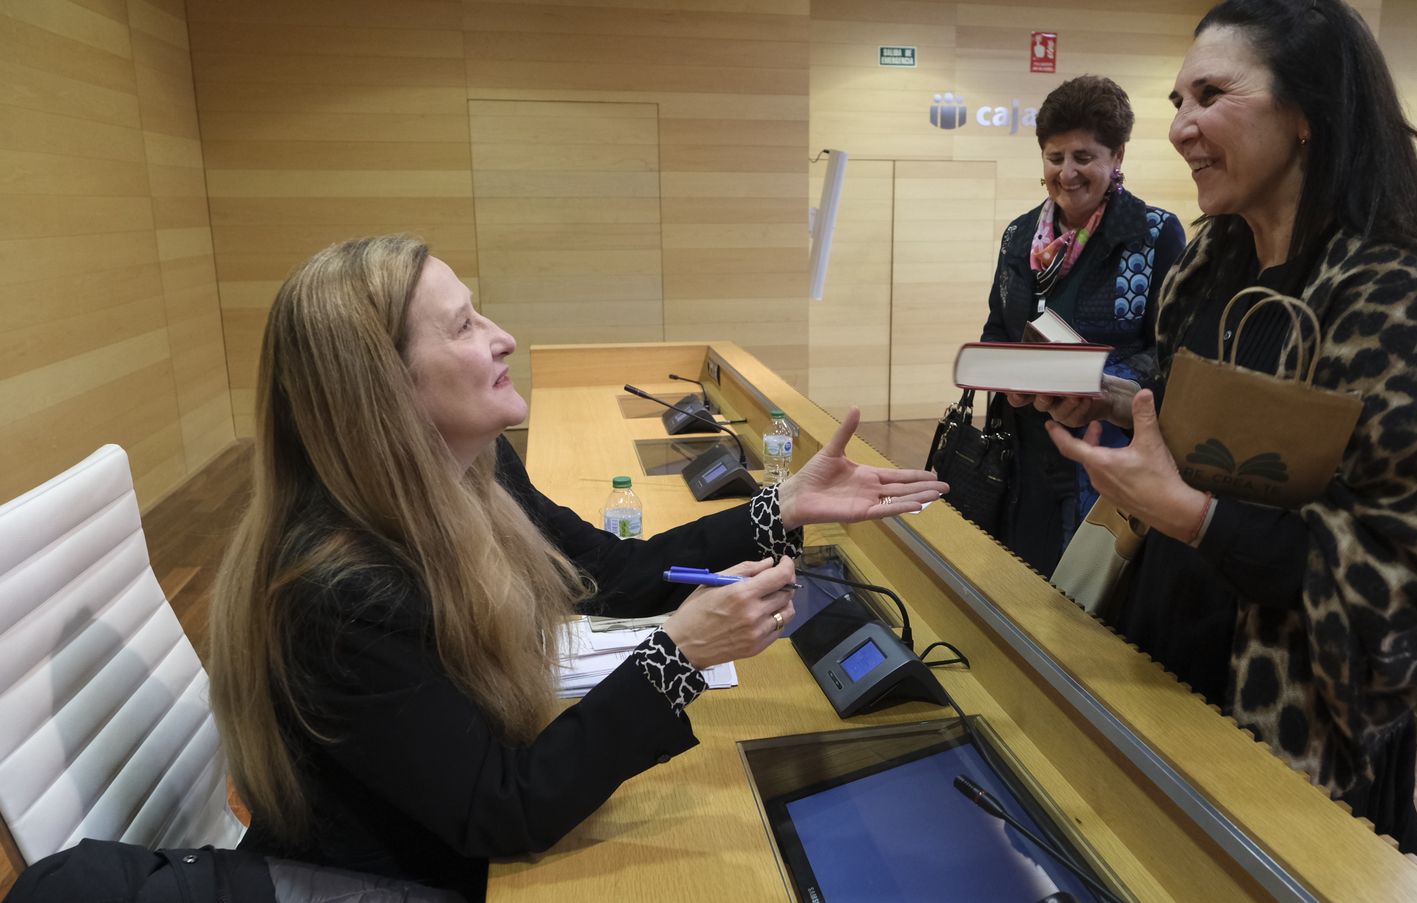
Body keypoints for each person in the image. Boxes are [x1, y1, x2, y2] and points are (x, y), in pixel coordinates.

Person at [207, 235, 948, 900]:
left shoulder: (476, 473)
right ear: (381, 387)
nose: (505, 338)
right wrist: (678, 656)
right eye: (464, 326)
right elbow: (502, 810)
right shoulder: (337, 594)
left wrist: (780, 507)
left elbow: (605, 571)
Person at [1020, 0, 1417, 858]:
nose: (1182, 130)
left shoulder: (1391, 288)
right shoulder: (1211, 262)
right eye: (1177, 103)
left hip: (1285, 713)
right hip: (1163, 644)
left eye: (1211, 96)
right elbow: (1206, 424)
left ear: (1306, 114)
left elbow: (1409, 570)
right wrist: (1116, 403)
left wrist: (1189, 513)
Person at [980, 75, 1185, 574]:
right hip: (1024, 454)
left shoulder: (1154, 234)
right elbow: (996, 328)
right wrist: (1007, 376)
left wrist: (1089, 379)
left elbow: (1171, 353)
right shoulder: (1019, 234)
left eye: (1083, 157)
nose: (1067, 173)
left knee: (1085, 592)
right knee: (1018, 580)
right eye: (1055, 158)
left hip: (1103, 453)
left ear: (1117, 157)